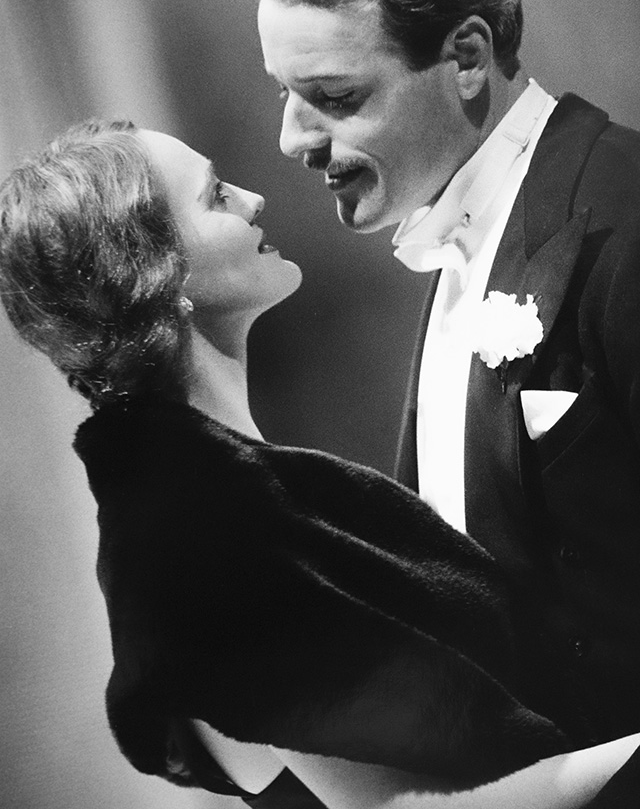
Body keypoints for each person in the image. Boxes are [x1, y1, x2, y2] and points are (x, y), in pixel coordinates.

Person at [0, 120, 638, 809]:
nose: (253, 199)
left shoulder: (237, 495)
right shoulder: (193, 534)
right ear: (155, 274)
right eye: (216, 196)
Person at [257, 0, 640, 805]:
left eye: (335, 97)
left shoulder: (627, 223)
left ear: (467, 57)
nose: (290, 141)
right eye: (283, 92)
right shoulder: (458, 232)